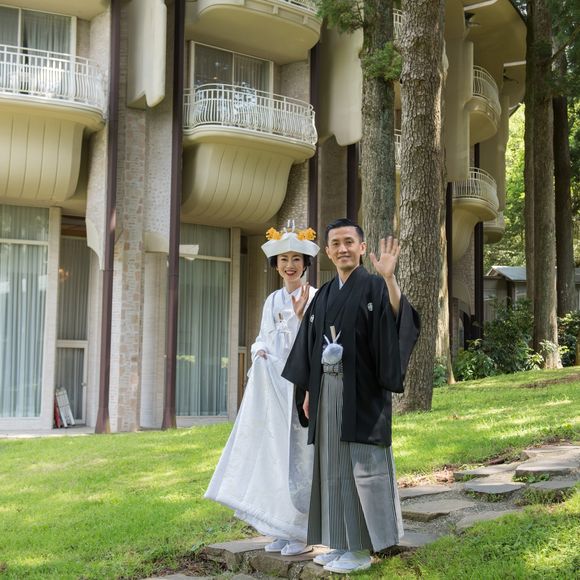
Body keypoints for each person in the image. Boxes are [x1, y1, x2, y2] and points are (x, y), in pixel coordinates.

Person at [282, 218, 420, 574]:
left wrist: (390, 278)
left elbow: (399, 318)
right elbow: (310, 345)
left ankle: (360, 549)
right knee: (332, 466)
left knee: (361, 465)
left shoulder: (375, 285)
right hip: (326, 390)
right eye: (336, 243)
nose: (342, 248)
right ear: (328, 252)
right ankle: (340, 542)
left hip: (361, 391)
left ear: (362, 247)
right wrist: (308, 390)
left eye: (349, 242)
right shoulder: (325, 295)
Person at [205, 224, 320, 557]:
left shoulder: (315, 297)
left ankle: (302, 530)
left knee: (299, 458)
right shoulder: (272, 300)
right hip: (273, 389)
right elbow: (263, 338)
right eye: (284, 259)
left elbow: (311, 343)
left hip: (300, 388)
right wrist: (259, 352)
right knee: (273, 456)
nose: (290, 265)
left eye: (296, 259)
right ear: (276, 264)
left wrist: (298, 318)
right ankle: (280, 526)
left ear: (305, 263)